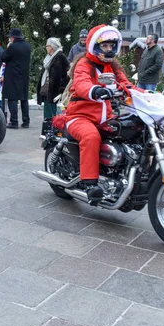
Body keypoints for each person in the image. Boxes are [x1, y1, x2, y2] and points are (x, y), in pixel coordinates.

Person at [65, 24, 138, 204]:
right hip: (80, 116)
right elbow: (81, 82)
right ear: (95, 45)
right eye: (104, 46)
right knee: (91, 137)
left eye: (111, 45)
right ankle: (90, 183)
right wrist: (94, 90)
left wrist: (145, 95)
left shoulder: (112, 66)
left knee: (131, 131)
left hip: (105, 118)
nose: (108, 49)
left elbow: (126, 84)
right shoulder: (84, 64)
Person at [1, 28, 32, 129]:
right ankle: (26, 121)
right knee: (24, 99)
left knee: (12, 98)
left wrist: (8, 47)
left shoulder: (13, 47)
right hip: (24, 76)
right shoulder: (28, 46)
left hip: (12, 76)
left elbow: (4, 57)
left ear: (13, 37)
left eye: (10, 37)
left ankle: (14, 122)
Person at [37, 37, 69, 120]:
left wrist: (61, 91)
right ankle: (47, 128)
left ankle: (52, 129)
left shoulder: (60, 57)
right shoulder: (49, 57)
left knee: (53, 113)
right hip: (47, 90)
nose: (46, 47)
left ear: (52, 47)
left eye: (47, 46)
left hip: (55, 91)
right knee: (48, 113)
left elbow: (65, 75)